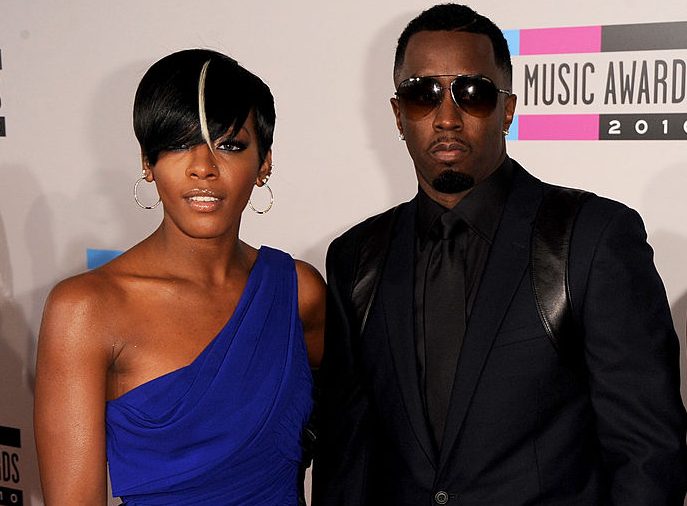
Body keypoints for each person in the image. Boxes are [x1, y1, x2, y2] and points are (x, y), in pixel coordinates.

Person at [312, 4, 687, 505]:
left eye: (473, 92)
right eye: (423, 94)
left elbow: (647, 455)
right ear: (398, 114)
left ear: (507, 108)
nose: (446, 116)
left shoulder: (593, 238)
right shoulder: (356, 257)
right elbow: (348, 457)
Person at [34, 48, 325, 505]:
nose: (203, 167)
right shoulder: (86, 309)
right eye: (177, 143)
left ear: (264, 162)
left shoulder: (299, 291)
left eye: (230, 144)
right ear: (147, 163)